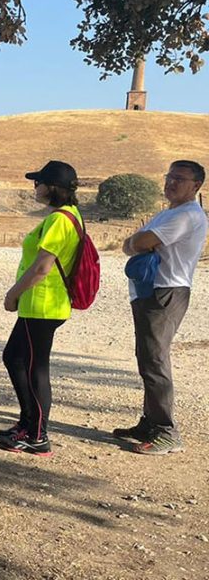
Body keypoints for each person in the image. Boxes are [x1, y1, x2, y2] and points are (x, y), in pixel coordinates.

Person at [116, 161, 207, 455]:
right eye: (169, 176)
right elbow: (131, 244)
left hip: (166, 292)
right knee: (147, 357)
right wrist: (136, 243)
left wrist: (137, 242)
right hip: (150, 290)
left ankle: (167, 432)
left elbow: (140, 240)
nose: (171, 183)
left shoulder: (187, 216)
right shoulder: (168, 213)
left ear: (196, 186)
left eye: (179, 179)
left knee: (155, 361)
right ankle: (150, 424)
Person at [0, 161, 83, 456]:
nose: (35, 187)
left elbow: (42, 267)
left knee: (35, 368)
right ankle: (27, 424)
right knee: (14, 358)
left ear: (52, 187)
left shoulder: (61, 219)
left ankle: (37, 435)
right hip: (39, 305)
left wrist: (12, 294)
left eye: (39, 182)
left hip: (44, 305)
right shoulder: (64, 216)